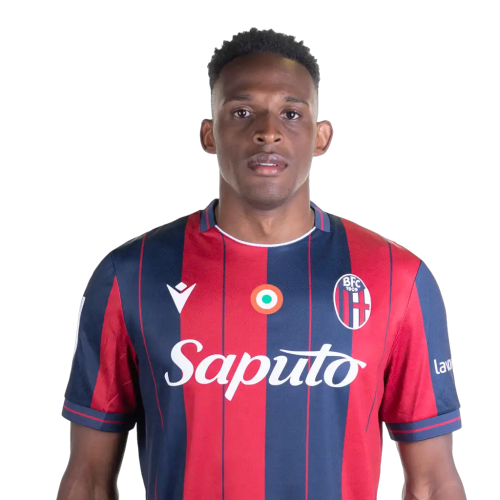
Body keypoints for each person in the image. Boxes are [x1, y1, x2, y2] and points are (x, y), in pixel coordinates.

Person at [57, 28, 465, 500]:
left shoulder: (398, 277)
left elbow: (433, 483)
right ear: (209, 134)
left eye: (291, 113)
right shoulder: (129, 275)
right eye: (242, 111)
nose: (267, 131)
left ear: (321, 136)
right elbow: (88, 481)